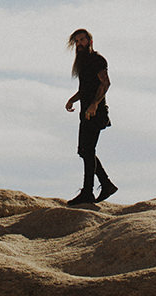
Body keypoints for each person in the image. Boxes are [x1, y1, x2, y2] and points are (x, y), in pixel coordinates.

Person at [64, 27, 117, 205]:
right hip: (85, 112)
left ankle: (88, 192)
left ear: (90, 41)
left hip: (96, 112)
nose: (79, 44)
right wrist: (72, 99)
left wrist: (95, 104)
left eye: (82, 40)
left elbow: (105, 83)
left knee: (88, 150)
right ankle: (106, 184)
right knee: (84, 150)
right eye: (77, 41)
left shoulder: (97, 60)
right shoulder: (82, 63)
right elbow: (84, 89)